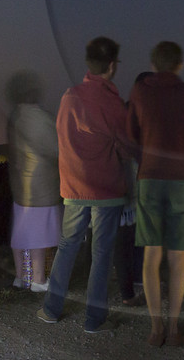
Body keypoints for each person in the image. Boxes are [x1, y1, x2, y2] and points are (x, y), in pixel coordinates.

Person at [40, 37, 131, 334]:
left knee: (67, 246)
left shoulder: (69, 97)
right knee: (101, 252)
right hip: (105, 189)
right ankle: (94, 319)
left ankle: (51, 309)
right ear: (112, 66)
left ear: (87, 63)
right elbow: (126, 145)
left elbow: (62, 137)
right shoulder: (113, 103)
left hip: (73, 187)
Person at [127, 41, 184, 346]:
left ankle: (154, 328)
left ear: (153, 64)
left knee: (152, 255)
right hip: (181, 181)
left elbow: (129, 136)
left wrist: (146, 159)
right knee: (177, 256)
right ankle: (174, 328)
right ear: (181, 64)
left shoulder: (140, 92)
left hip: (150, 178)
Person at [7, 71, 60, 292]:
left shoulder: (15, 115)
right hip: (40, 185)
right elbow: (56, 148)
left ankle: (21, 277)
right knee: (39, 233)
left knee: (21, 232)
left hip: (21, 185)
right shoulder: (38, 117)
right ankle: (38, 280)